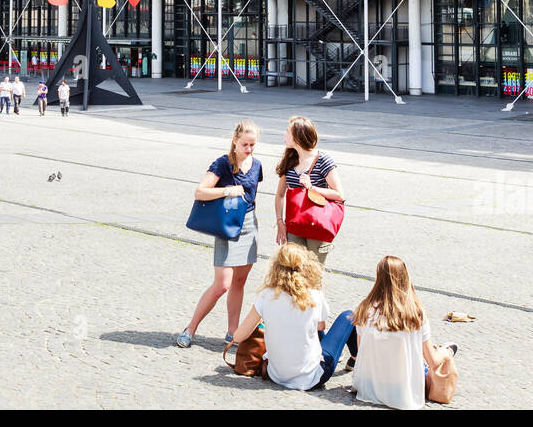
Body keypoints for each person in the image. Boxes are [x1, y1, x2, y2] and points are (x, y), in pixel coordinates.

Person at [176, 121, 263, 349]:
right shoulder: (223, 163)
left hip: (249, 225)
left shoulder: (257, 165)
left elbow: (253, 195)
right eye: (245, 144)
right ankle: (190, 328)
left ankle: (232, 332)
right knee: (222, 284)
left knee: (240, 281)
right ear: (235, 140)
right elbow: (200, 192)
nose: (249, 149)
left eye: (253, 144)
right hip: (226, 226)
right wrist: (227, 191)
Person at [230, 243, 357, 391]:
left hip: (276, 374)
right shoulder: (314, 295)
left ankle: (353, 359)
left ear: (276, 267)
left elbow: (238, 337)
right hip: (312, 378)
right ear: (306, 266)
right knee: (349, 316)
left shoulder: (265, 295)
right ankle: (355, 359)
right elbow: (320, 327)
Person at [350, 256, 454, 410]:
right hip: (400, 387)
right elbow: (433, 361)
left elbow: (362, 350)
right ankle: (447, 349)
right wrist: (446, 353)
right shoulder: (415, 313)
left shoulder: (365, 308)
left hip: (369, 383)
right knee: (432, 360)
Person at [274, 115, 345, 266]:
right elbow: (280, 195)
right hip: (294, 226)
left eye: (288, 132)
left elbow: (339, 194)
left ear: (297, 137)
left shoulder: (323, 160)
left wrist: (312, 188)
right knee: (293, 272)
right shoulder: (290, 160)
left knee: (314, 274)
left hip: (317, 225)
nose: (284, 135)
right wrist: (280, 222)